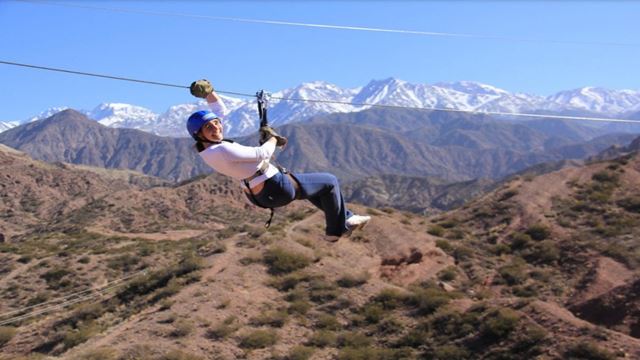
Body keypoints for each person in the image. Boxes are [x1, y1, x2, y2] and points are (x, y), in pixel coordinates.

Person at [186, 80, 370, 242]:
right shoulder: (222, 149)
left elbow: (220, 111)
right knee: (330, 181)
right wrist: (273, 138)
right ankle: (336, 230)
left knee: (316, 189)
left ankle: (345, 218)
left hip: (260, 194)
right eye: (209, 127)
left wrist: (210, 93)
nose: (216, 128)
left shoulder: (207, 148)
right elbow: (261, 154)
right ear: (199, 134)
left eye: (216, 123)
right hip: (275, 186)